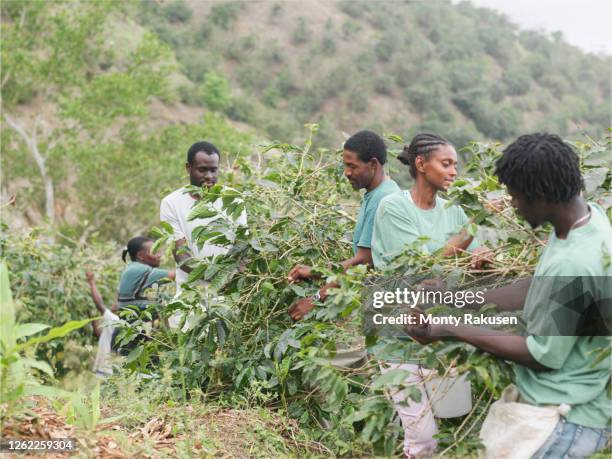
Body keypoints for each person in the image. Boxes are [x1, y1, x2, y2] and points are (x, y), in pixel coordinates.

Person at [405, 133, 611, 458]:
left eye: (516, 197)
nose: (513, 206)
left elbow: (541, 355)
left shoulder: (575, 259)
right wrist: (458, 298)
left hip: (562, 423)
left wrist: (447, 328)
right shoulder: (587, 222)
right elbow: (540, 287)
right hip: (573, 407)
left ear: (540, 194)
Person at [369, 133, 489, 458]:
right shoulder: (392, 208)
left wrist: (483, 260)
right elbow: (423, 266)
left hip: (441, 336)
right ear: (421, 165)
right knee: (423, 437)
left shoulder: (454, 211)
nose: (453, 172)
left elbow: (472, 260)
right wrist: (475, 226)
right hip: (400, 336)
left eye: (455, 165)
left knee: (451, 422)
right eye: (446, 163)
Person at [287, 130, 400, 321]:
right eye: (345, 166)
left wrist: (316, 297)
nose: (347, 173)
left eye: (352, 166)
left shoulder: (383, 199)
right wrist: (314, 272)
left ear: (373, 164)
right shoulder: (378, 193)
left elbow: (364, 263)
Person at [160, 141, 247, 296]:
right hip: (191, 297)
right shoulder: (171, 203)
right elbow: (181, 256)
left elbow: (241, 245)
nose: (209, 176)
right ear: (188, 168)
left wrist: (231, 280)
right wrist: (219, 277)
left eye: (214, 170)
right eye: (202, 170)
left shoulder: (234, 198)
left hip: (229, 296)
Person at [87, 236, 174, 373]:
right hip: (134, 339)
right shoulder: (139, 270)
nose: (159, 254)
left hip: (136, 338)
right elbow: (178, 275)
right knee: (136, 377)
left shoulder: (132, 270)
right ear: (141, 255)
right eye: (155, 250)